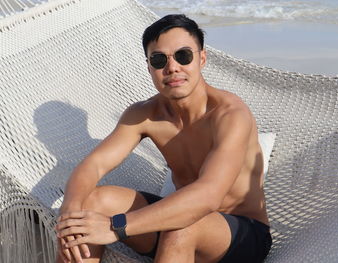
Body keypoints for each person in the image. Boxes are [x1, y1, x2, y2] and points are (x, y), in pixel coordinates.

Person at [56, 14, 272, 263]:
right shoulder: (145, 114)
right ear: (149, 67)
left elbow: (208, 195)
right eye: (159, 60)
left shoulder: (230, 115)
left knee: (182, 226)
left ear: (201, 58)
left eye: (183, 56)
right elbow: (93, 166)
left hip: (240, 237)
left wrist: (115, 226)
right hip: (175, 226)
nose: (172, 68)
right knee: (90, 204)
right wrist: (69, 212)